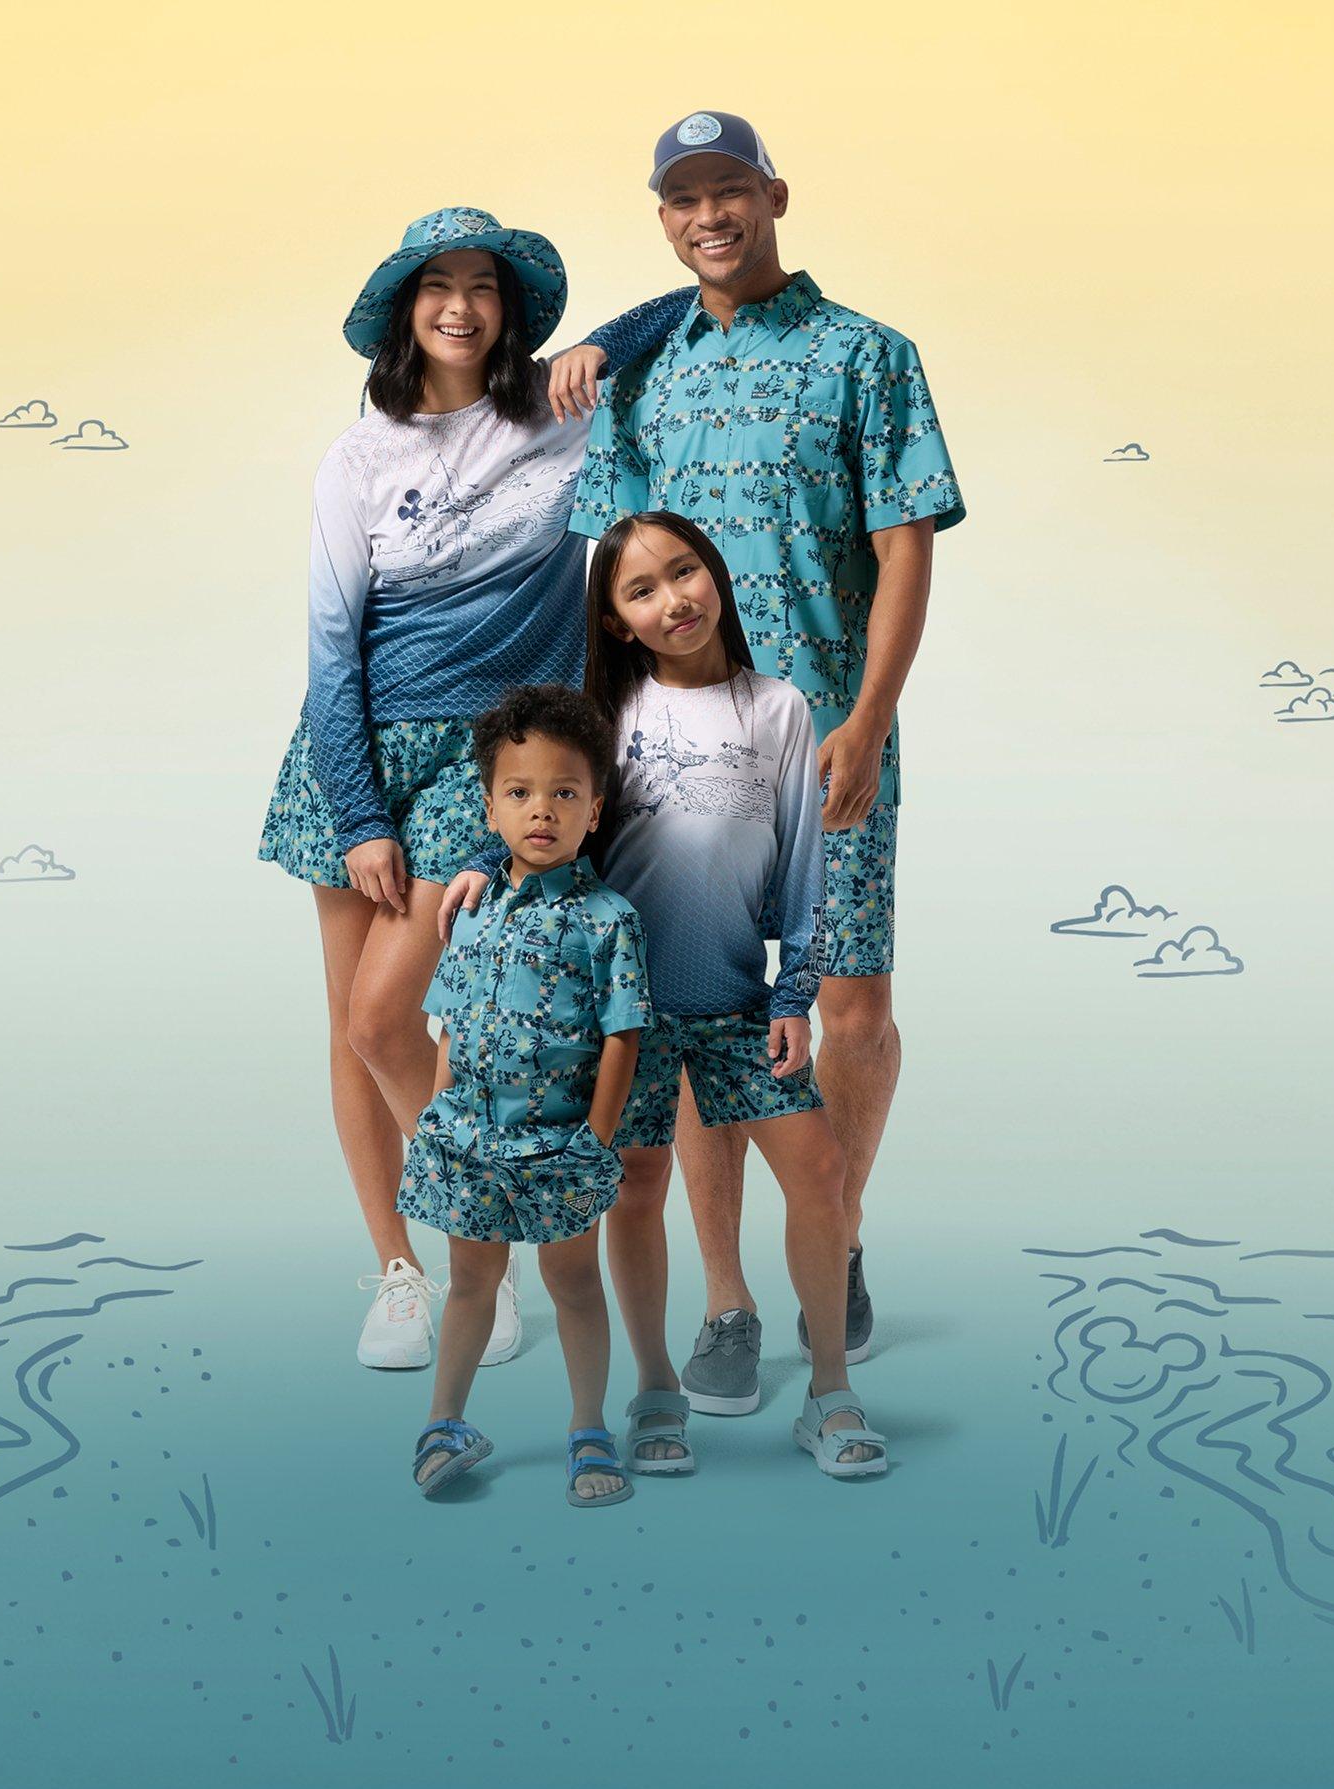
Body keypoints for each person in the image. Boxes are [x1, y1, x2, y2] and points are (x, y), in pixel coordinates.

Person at [551, 114, 965, 1411]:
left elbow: (906, 549)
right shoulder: (642, 371)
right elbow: (607, 571)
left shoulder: (868, 358)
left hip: (833, 741)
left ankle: (831, 1234)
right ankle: (727, 1298)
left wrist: (873, 716)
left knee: (851, 1014)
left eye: (729, 190)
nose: (708, 216)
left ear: (774, 195)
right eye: (683, 200)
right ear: (662, 221)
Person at [253, 207, 684, 1374]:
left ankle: (478, 1245)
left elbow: (683, 308)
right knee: (351, 1031)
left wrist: (594, 342)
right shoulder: (358, 456)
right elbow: (331, 652)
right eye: (435, 285)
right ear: (405, 309)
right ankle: (407, 1273)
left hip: (493, 758)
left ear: (509, 307)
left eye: (482, 285)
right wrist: (356, 817)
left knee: (389, 1017)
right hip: (357, 757)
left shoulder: (555, 419)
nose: (459, 305)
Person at [441, 513, 889, 1478]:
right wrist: (486, 861)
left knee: (815, 1172)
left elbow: (805, 869)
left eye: (684, 572)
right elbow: (547, 801)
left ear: (714, 574)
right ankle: (653, 1392)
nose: (673, 599)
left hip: (736, 1003)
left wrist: (793, 994)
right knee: (636, 1190)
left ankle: (830, 1393)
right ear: (614, 621)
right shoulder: (612, 722)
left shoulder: (778, 710)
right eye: (640, 590)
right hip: (627, 1021)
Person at [395, 687, 648, 1506]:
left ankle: (588, 1428)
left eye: (564, 792)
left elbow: (623, 1034)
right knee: (470, 1282)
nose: (542, 810)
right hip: (465, 1142)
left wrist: (596, 1143)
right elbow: (448, 1026)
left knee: (573, 1283)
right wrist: (436, 1120)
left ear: (595, 809)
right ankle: (443, 1422)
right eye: (519, 792)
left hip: (560, 1146)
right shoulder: (467, 910)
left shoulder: (610, 920)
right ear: (490, 807)